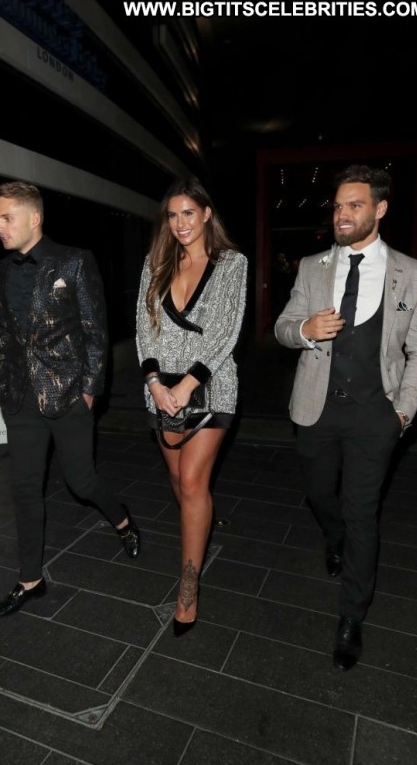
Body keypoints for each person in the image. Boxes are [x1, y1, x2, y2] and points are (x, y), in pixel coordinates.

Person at [275, 165, 417, 670]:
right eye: (339, 206)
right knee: (321, 494)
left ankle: (351, 616)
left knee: (362, 511)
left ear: (380, 209)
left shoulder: (416, 274)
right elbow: (281, 327)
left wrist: (403, 412)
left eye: (354, 205)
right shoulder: (312, 267)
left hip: (375, 414)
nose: (341, 214)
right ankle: (334, 535)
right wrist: (305, 328)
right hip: (315, 409)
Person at [0, 181, 140, 618]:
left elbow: (95, 330)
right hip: (20, 397)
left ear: (34, 218)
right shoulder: (0, 270)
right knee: (24, 487)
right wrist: (2, 382)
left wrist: (89, 389)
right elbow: (3, 333)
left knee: (81, 482)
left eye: (6, 217)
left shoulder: (74, 261)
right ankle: (30, 580)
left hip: (67, 392)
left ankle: (122, 520)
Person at [136, 177, 247, 636]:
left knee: (192, 480)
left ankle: (188, 590)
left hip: (211, 386)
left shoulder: (231, 263)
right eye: (172, 215)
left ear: (206, 214)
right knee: (181, 485)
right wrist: (154, 382)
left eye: (188, 213)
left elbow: (226, 330)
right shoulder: (156, 262)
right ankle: (201, 523)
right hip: (161, 389)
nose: (180, 223)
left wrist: (187, 385)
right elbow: (144, 325)